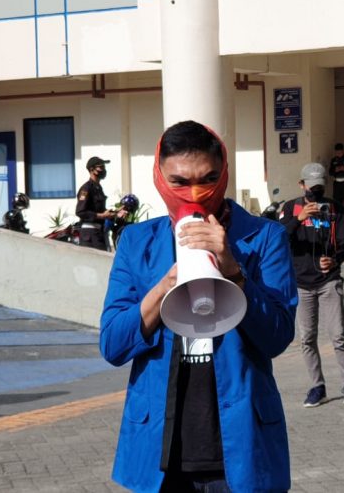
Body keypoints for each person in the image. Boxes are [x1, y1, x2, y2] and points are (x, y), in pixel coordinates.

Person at [99, 121, 296, 492]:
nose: (195, 193)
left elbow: (278, 336)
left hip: (242, 447)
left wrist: (234, 271)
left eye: (208, 179)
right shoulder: (138, 242)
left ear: (224, 174)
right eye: (179, 181)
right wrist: (165, 286)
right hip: (160, 450)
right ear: (159, 177)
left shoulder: (264, 237)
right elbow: (113, 345)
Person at [280, 162, 344, 408]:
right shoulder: (290, 207)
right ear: (301, 185)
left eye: (320, 188)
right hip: (302, 284)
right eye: (311, 188)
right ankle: (317, 387)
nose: (316, 193)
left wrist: (334, 259)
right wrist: (298, 219)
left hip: (329, 282)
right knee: (307, 338)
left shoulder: (335, 209)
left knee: (338, 335)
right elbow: (278, 236)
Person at [76, 156, 124, 251]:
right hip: (89, 234)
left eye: (104, 167)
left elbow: (99, 210)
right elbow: (80, 212)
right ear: (91, 169)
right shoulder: (86, 188)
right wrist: (102, 215)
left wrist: (113, 213)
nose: (104, 170)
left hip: (98, 232)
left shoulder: (98, 188)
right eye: (101, 167)